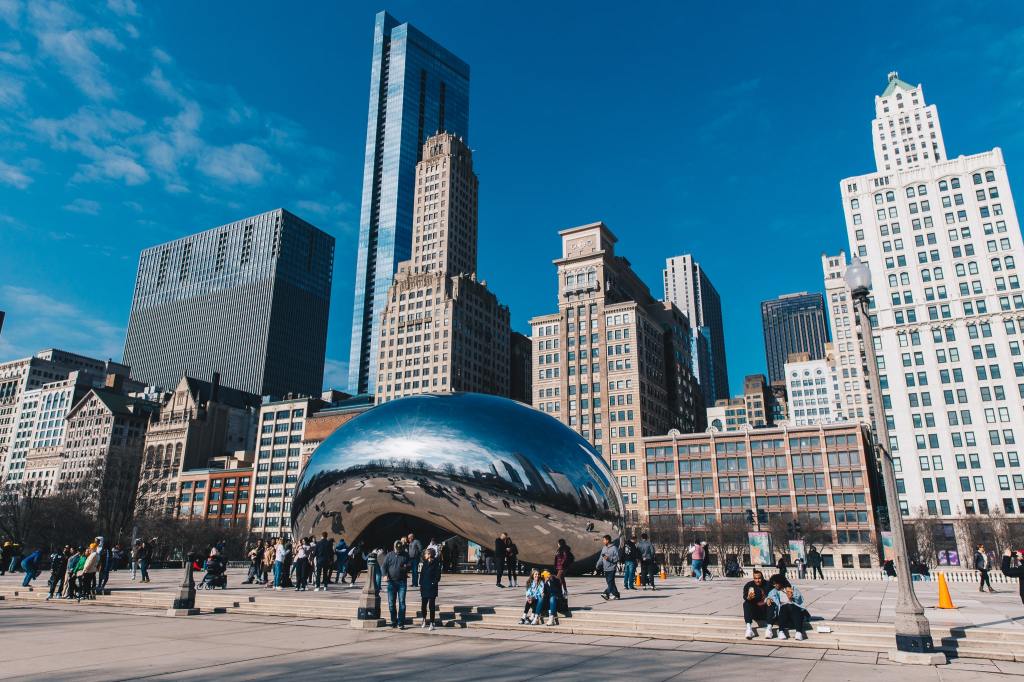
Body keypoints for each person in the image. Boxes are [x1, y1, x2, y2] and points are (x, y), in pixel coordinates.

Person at [766, 574, 809, 640]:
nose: (774, 585)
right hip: (782, 614)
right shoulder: (774, 591)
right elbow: (768, 597)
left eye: (775, 584)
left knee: (791, 606)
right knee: (784, 606)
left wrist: (792, 596)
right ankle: (781, 631)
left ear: (780, 582)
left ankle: (798, 633)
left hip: (794, 612)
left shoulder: (792, 588)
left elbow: (800, 601)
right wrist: (768, 599)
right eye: (773, 584)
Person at [383, 540, 411, 629]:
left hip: (402, 582)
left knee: (402, 602)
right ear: (394, 547)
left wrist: (406, 567)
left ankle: (401, 622)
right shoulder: (389, 555)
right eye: (397, 549)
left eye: (400, 549)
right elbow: (384, 566)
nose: (398, 550)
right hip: (391, 582)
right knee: (391, 603)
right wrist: (384, 575)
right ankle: (393, 621)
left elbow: (410, 564)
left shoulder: (405, 555)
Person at [741, 569, 771, 639]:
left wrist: (770, 598)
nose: (757, 580)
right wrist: (748, 598)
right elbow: (745, 596)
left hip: (766, 610)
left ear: (762, 578)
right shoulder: (749, 585)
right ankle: (749, 628)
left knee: (771, 603)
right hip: (755, 611)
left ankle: (769, 629)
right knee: (746, 603)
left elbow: (774, 594)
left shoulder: (768, 584)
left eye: (759, 578)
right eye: (755, 578)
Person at [418, 547, 442, 631]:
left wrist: (433, 583)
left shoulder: (436, 563)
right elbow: (422, 574)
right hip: (424, 586)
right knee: (423, 605)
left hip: (432, 587)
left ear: (430, 554)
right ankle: (424, 619)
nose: (424, 555)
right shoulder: (425, 563)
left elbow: (438, 575)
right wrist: (420, 584)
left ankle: (432, 622)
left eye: (426, 553)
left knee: (431, 606)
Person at [596, 534, 621, 601]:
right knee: (611, 582)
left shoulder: (614, 548)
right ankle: (616, 595)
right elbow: (601, 557)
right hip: (605, 568)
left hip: (612, 568)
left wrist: (609, 558)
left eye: (604, 540)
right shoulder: (604, 548)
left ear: (607, 540)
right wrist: (598, 565)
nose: (603, 541)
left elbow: (618, 558)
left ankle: (606, 593)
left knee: (610, 582)